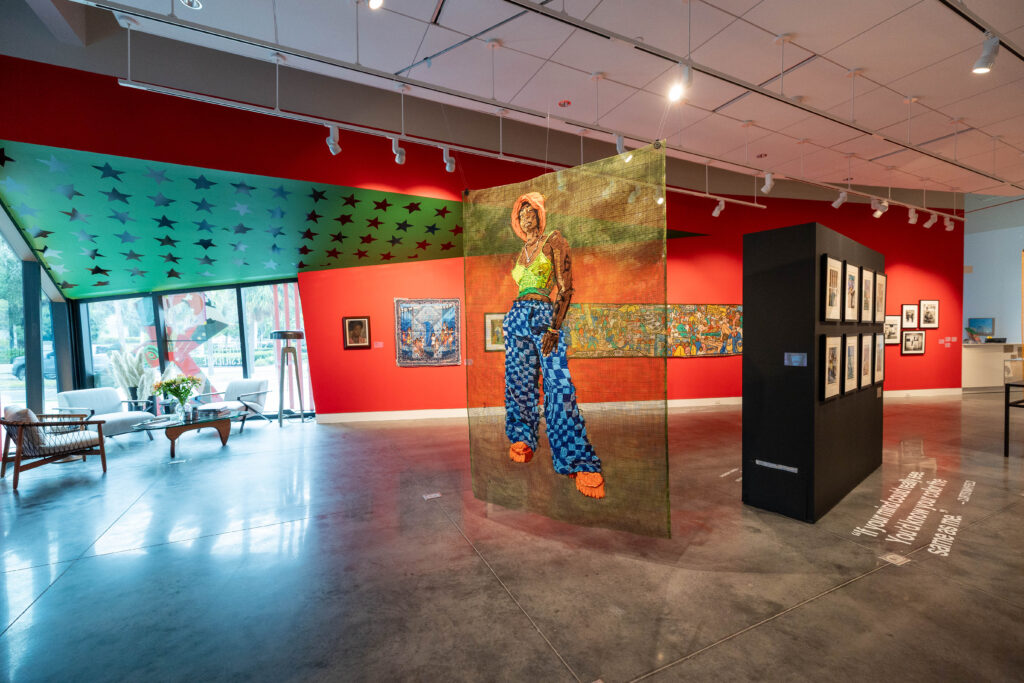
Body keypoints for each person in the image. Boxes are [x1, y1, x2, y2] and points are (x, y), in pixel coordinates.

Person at [503, 192, 604, 499]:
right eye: (521, 214)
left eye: (530, 212)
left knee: (558, 386)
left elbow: (566, 288)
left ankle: (577, 459)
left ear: (540, 215)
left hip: (543, 315)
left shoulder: (554, 241)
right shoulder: (522, 251)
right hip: (516, 316)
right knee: (518, 382)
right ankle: (523, 437)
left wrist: (554, 328)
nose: (525, 218)